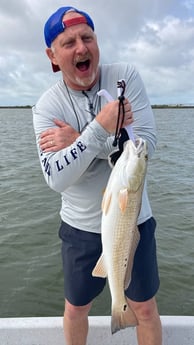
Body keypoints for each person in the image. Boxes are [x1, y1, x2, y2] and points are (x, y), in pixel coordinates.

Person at [32, 6, 162, 345]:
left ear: (97, 41)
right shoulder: (47, 107)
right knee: (76, 309)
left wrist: (80, 139)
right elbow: (56, 178)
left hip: (133, 221)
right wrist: (101, 130)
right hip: (79, 228)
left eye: (87, 37)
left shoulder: (125, 77)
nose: (81, 48)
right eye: (69, 42)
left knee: (145, 309)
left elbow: (145, 144)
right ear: (53, 55)